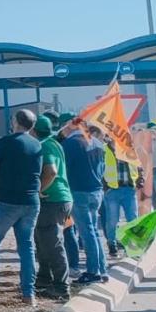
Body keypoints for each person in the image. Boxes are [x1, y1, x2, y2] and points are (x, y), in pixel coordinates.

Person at [0, 109, 43, 305]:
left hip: (7, 201)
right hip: (31, 201)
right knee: (26, 246)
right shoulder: (37, 144)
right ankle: (28, 293)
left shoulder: (6, 141)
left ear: (15, 122)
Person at [62, 120, 109, 285]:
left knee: (87, 232)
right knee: (93, 231)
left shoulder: (69, 144)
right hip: (96, 190)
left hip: (78, 191)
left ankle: (93, 271)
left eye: (65, 126)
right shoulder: (97, 143)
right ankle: (102, 269)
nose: (63, 130)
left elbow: (64, 169)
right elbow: (102, 168)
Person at [34, 115, 74, 301]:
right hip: (60, 198)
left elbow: (51, 171)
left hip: (52, 199)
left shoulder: (45, 146)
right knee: (43, 240)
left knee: (52, 242)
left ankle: (61, 286)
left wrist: (40, 189)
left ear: (33, 130)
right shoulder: (53, 143)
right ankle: (44, 279)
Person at [101, 142, 139, 261]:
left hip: (129, 189)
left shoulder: (129, 148)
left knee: (133, 219)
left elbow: (138, 165)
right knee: (112, 220)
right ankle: (112, 245)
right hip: (112, 190)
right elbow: (99, 167)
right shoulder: (104, 149)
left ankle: (133, 248)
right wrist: (105, 186)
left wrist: (140, 180)